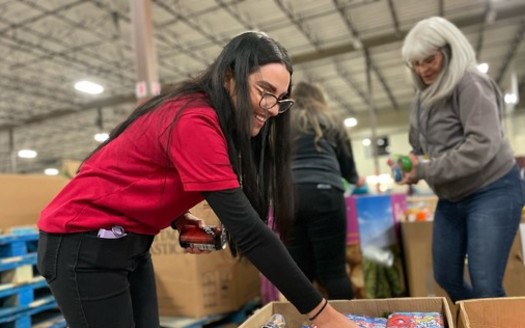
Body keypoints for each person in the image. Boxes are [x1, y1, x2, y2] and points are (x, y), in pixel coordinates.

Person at [36, 31, 358, 328]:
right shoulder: (195, 120)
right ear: (230, 76)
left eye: (280, 98)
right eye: (265, 92)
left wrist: (178, 217)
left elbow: (141, 168)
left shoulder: (212, 119)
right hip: (81, 245)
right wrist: (323, 315)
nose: (273, 109)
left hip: (129, 244)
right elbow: (250, 233)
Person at [398, 16, 524, 302]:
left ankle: (489, 317)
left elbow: (482, 145)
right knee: (446, 276)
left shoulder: (471, 84)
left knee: (486, 285)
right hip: (452, 197)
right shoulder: (421, 99)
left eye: (429, 60)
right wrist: (409, 164)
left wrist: (425, 169)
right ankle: (476, 318)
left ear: (450, 50)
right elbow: (418, 148)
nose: (422, 69)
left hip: (493, 190)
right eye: (415, 63)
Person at [286, 81, 364, 300]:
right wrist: (354, 179)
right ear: (320, 98)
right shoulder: (332, 120)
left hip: (289, 196)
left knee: (299, 274)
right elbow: (349, 168)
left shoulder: (282, 121)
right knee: (333, 272)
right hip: (325, 194)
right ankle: (345, 322)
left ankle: (301, 323)